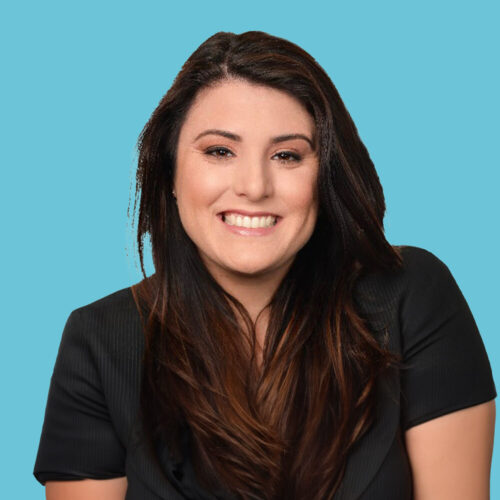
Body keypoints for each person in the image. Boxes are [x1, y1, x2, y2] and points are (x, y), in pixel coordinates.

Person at [33, 31, 496, 500]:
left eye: (286, 155)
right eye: (219, 151)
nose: (254, 187)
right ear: (170, 171)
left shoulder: (412, 296)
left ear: (325, 175)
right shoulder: (99, 341)